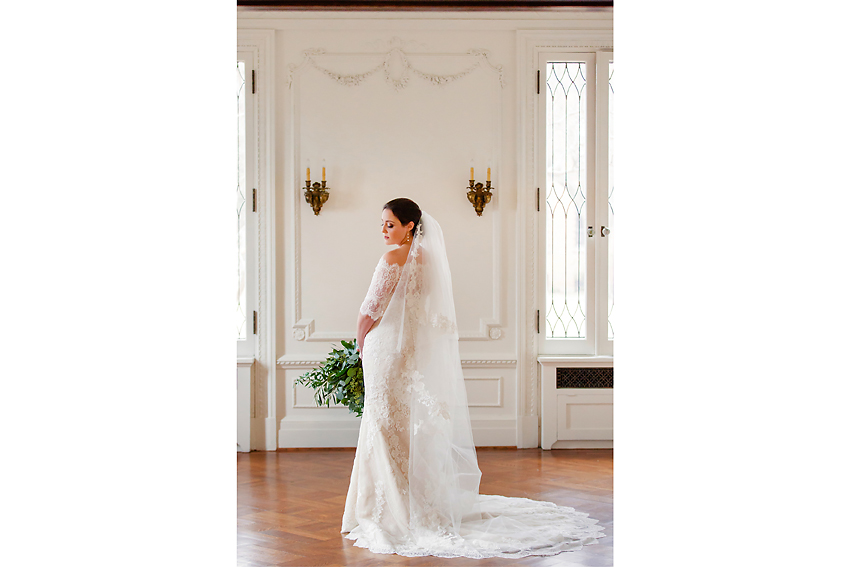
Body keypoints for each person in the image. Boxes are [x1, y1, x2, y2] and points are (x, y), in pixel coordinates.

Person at [341, 198, 603, 559]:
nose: (383, 230)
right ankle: (403, 500)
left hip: (385, 349)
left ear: (410, 227)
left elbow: (370, 310)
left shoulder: (390, 260)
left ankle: (387, 508)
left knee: (384, 424)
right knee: (396, 425)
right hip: (409, 350)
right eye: (383, 224)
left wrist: (360, 339)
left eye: (390, 224)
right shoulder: (429, 261)